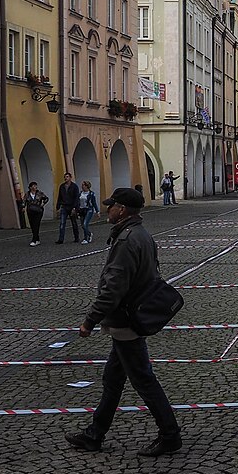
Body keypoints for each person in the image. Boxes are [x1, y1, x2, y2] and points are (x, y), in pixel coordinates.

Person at [66, 187, 182, 458]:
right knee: (113, 379)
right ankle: (95, 434)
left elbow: (113, 288)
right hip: (130, 318)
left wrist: (89, 320)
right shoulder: (140, 234)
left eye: (112, 205)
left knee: (143, 380)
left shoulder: (127, 240)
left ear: (123, 210)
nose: (108, 208)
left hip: (126, 320)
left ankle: (170, 435)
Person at [56, 172, 81, 244]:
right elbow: (59, 197)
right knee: (62, 223)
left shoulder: (74, 186)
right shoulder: (62, 186)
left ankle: (76, 237)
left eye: (67, 177)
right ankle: (61, 239)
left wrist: (75, 207)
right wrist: (58, 206)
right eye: (65, 177)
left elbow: (76, 198)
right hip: (64, 206)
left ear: (70, 177)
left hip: (71, 206)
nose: (65, 178)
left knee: (74, 223)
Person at [23, 181, 48, 246]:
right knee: (32, 225)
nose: (35, 187)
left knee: (36, 224)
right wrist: (23, 207)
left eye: (36, 186)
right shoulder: (27, 194)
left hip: (38, 211)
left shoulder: (39, 193)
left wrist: (43, 203)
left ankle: (34, 240)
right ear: (30, 187)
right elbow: (24, 201)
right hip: (30, 211)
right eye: (34, 186)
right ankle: (37, 239)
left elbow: (46, 198)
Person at [77, 179, 99, 244]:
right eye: (82, 185)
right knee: (82, 225)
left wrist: (97, 211)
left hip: (89, 209)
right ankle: (87, 235)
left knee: (85, 224)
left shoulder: (91, 194)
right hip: (82, 210)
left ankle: (87, 237)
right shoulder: (80, 193)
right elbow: (78, 202)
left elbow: (94, 203)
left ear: (87, 186)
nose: (82, 186)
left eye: (83, 185)